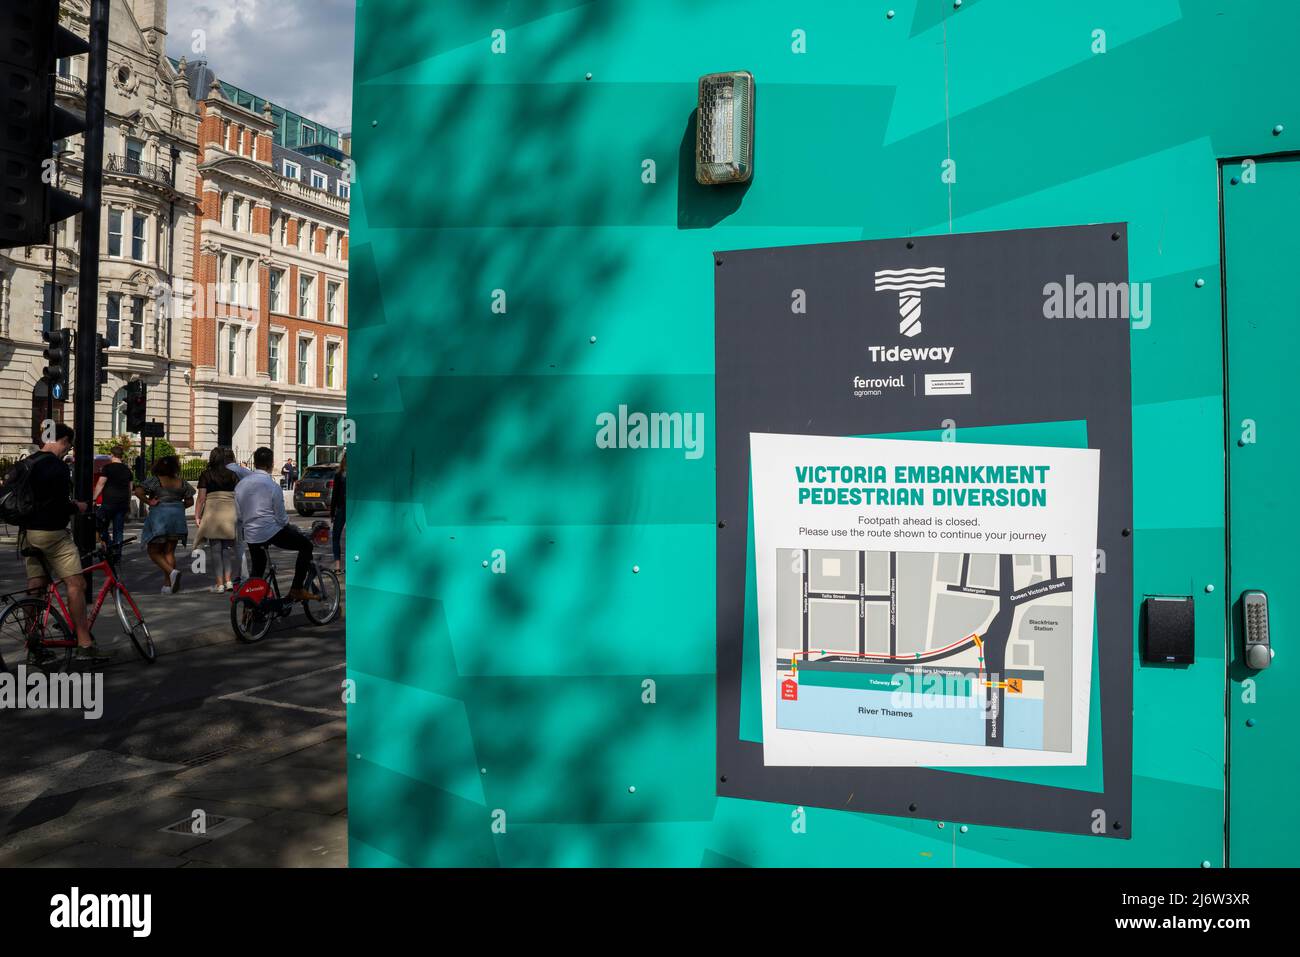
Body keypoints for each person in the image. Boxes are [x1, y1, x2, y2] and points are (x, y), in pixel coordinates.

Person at [14, 424, 108, 662]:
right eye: (69, 445)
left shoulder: (27, 462)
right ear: (64, 440)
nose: (68, 450)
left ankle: (33, 640)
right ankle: (84, 643)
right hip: (53, 533)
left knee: (36, 586)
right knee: (76, 583)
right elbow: (57, 503)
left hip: (28, 532)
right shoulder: (56, 466)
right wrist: (77, 506)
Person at [231, 447, 317, 601]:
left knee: (257, 569)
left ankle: (250, 607)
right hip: (271, 531)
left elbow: (238, 514)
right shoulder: (272, 486)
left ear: (255, 463)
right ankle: (297, 588)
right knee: (306, 546)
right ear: (271, 464)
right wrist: (291, 528)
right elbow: (281, 518)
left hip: (251, 533)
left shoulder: (240, 485)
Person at [135, 454, 194, 594]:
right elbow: (190, 501)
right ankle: (168, 585)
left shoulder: (155, 480)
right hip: (177, 520)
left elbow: (138, 491)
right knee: (169, 551)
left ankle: (172, 572)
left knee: (153, 551)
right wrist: (178, 507)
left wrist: (149, 502)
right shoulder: (181, 482)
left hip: (160, 519)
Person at [194, 446, 239, 592]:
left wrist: (197, 516)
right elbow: (238, 495)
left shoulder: (206, 475)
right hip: (229, 511)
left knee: (215, 549)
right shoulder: (233, 475)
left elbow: (201, 499)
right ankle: (229, 581)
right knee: (227, 549)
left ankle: (219, 584)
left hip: (213, 512)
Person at [92, 444, 133, 549]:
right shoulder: (127, 470)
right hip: (122, 503)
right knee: (118, 530)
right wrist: (128, 504)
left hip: (109, 503)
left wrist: (94, 498)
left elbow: (100, 484)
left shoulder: (107, 468)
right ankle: (117, 555)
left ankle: (108, 542)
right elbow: (130, 489)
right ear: (121, 456)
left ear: (111, 455)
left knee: (99, 522)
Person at [329, 452, 346, 573]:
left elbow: (334, 494)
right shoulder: (358, 474)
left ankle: (337, 566)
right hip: (353, 509)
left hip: (341, 508)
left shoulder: (339, 474)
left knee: (336, 537)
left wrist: (332, 512)